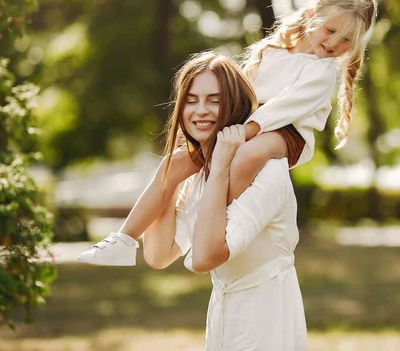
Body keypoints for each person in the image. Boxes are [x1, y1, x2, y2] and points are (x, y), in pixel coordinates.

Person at [77, 0, 377, 266]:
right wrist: (218, 132)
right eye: (329, 30)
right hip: (249, 123)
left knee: (248, 154)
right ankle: (123, 240)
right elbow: (243, 92)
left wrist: (238, 134)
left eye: (347, 39)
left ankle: (213, 231)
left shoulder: (321, 72)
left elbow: (281, 110)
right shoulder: (275, 50)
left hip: (287, 134)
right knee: (176, 161)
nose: (334, 43)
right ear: (312, 14)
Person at [132, 51, 309, 349]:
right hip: (224, 321)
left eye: (214, 100)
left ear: (236, 106)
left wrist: (222, 167)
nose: (201, 110)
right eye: (191, 100)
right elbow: (159, 255)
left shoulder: (267, 171)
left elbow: (204, 257)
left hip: (267, 322)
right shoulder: (201, 174)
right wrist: (171, 178)